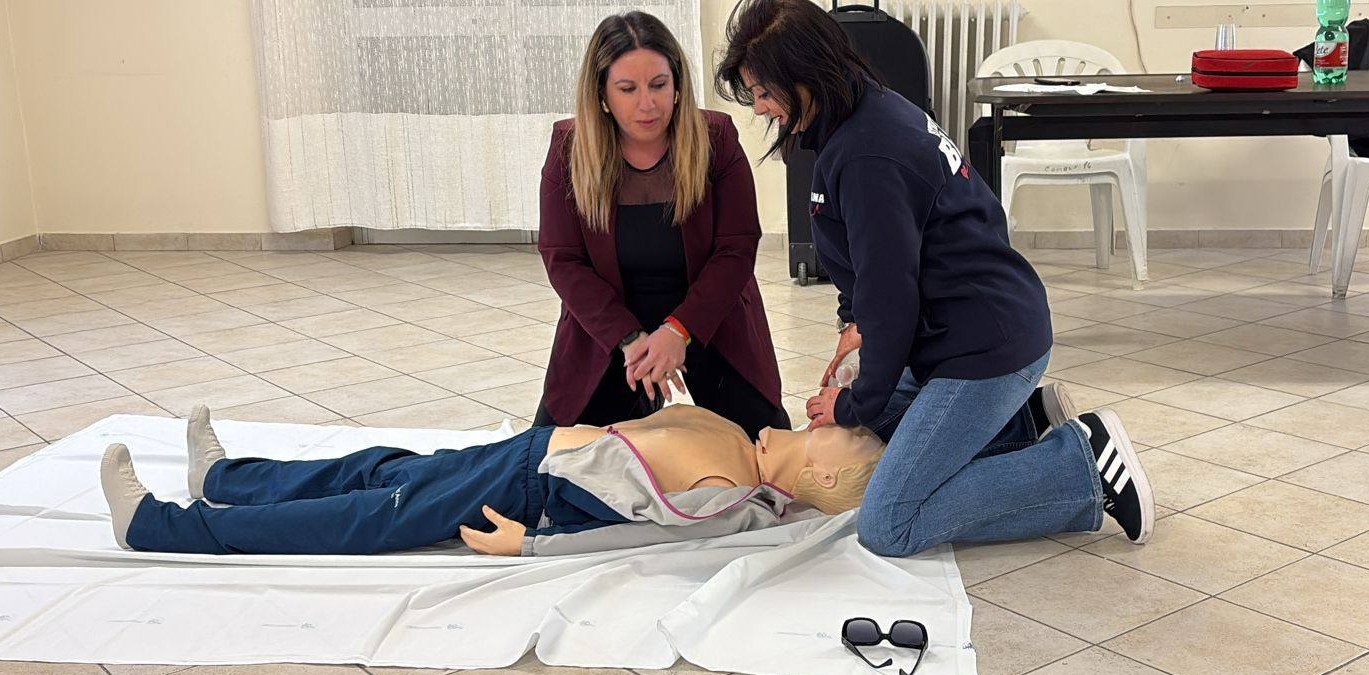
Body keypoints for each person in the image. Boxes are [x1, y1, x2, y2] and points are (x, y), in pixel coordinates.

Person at [714, 0, 1154, 557]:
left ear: (806, 73)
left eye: (764, 92)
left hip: (985, 350)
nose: (760, 108)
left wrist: (853, 404)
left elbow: (890, 302)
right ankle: (1021, 425)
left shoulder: (867, 153)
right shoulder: (863, 112)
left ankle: (1081, 466)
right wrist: (854, 326)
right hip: (964, 334)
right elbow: (877, 268)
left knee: (889, 522)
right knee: (880, 433)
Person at [100, 404, 887, 557]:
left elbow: (629, 539)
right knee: (380, 464)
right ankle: (226, 477)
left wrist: (529, 546)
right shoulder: (743, 438)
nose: (817, 417)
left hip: (525, 490)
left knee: (371, 512)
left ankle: (157, 526)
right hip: (526, 451)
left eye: (831, 430)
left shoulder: (730, 495)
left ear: (819, 468)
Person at [534, 10, 788, 440]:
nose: (647, 104)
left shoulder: (717, 138)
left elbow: (736, 248)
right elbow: (563, 259)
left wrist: (677, 331)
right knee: (550, 459)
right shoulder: (568, 148)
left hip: (709, 322)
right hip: (610, 334)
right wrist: (630, 340)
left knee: (768, 452)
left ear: (677, 85)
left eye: (658, 85)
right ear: (601, 94)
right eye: (627, 89)